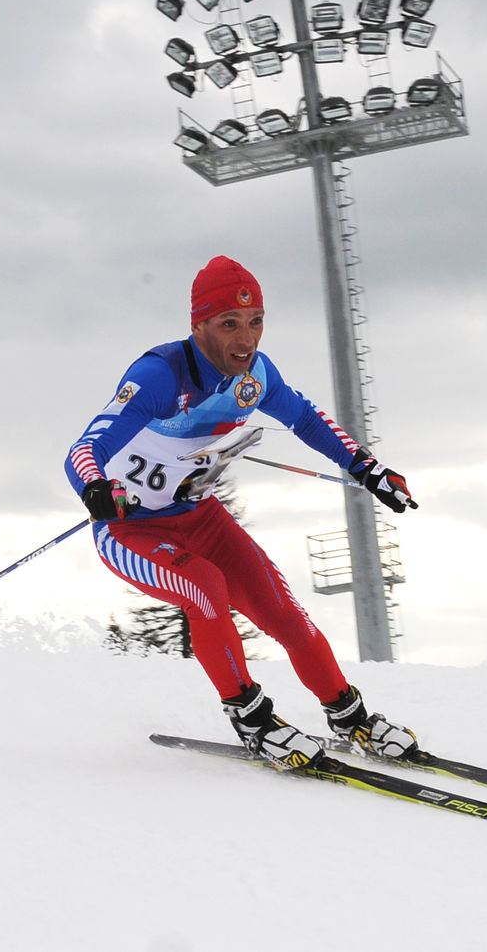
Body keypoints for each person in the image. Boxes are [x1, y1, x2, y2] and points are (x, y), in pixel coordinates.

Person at [64, 255, 421, 770]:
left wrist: (367, 468)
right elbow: (84, 449)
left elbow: (306, 418)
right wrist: (96, 487)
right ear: (199, 326)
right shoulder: (160, 375)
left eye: (255, 322)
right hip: (130, 530)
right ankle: (253, 721)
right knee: (205, 587)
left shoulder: (255, 374)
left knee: (284, 613)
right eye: (229, 324)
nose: (246, 339)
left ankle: (351, 718)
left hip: (200, 518)